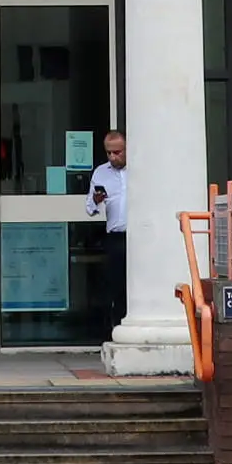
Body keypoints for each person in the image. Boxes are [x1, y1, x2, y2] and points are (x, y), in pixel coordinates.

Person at [84, 128, 130, 337]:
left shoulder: (140, 169)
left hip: (140, 237)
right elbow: (90, 207)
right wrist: (96, 200)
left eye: (118, 152)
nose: (113, 157)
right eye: (109, 153)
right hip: (115, 237)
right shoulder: (101, 172)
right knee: (116, 285)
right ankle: (117, 329)